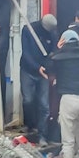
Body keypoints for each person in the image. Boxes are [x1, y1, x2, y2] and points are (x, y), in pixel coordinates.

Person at [44, 29, 79, 158]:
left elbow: (48, 67)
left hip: (69, 99)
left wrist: (57, 49)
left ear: (63, 41)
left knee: (68, 139)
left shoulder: (59, 57)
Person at [20, 13, 57, 144]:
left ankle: (42, 136)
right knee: (28, 100)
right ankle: (30, 125)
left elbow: (53, 53)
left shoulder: (52, 33)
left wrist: (49, 69)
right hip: (28, 70)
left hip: (44, 73)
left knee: (44, 106)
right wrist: (37, 68)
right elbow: (25, 53)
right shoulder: (28, 30)